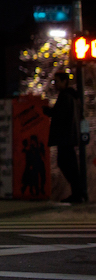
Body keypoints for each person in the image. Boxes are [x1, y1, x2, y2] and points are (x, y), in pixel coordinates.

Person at [43, 71, 88, 205]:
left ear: (64, 82)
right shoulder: (73, 96)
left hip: (65, 137)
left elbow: (60, 115)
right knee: (70, 165)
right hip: (70, 136)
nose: (55, 84)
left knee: (65, 164)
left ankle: (78, 193)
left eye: (57, 81)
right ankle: (78, 193)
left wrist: (48, 111)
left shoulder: (65, 97)